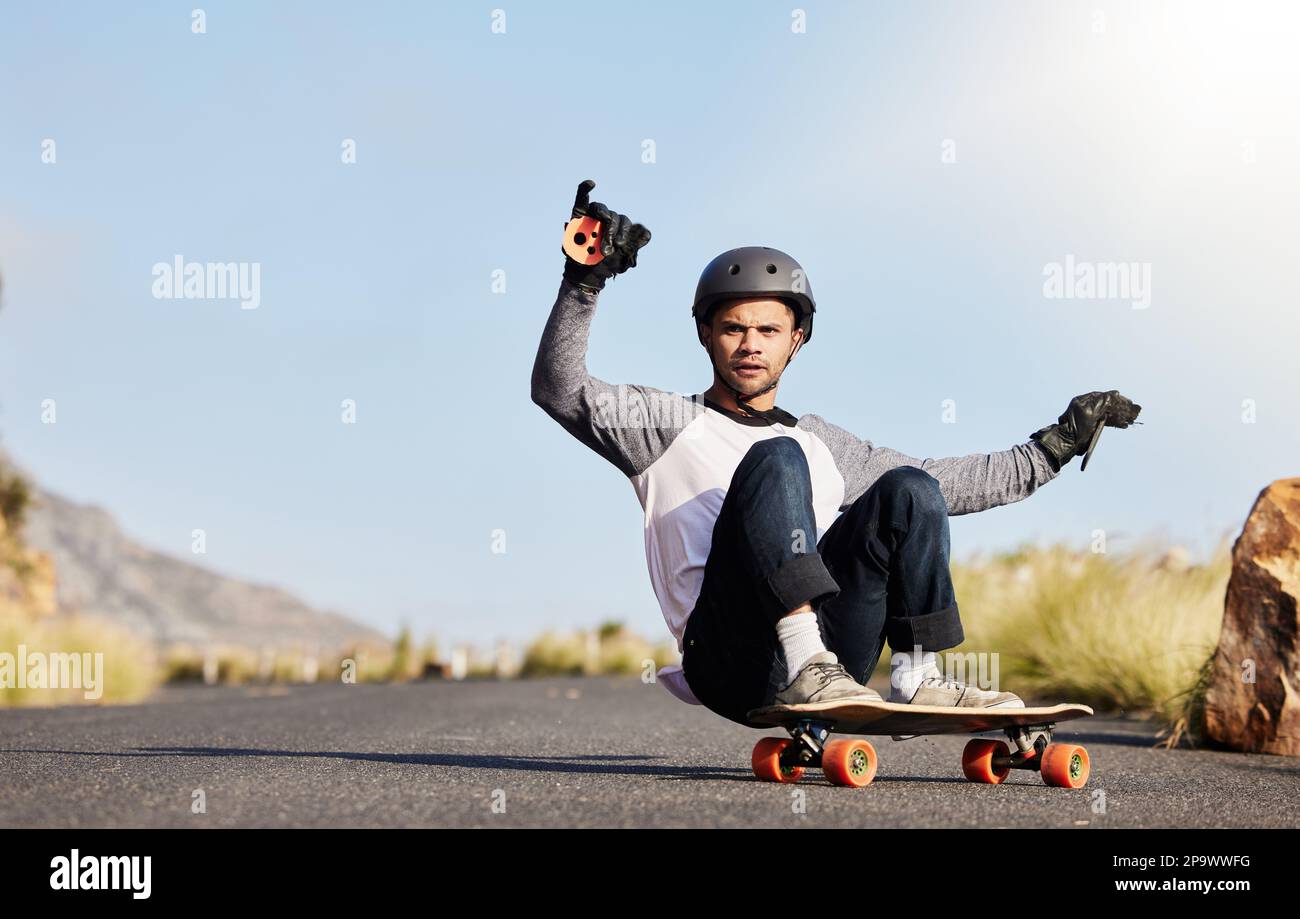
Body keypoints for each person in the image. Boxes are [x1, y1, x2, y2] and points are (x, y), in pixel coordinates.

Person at [531, 180, 1141, 728]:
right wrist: (584, 280)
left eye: (768, 331)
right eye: (734, 329)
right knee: (777, 460)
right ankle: (803, 659)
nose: (750, 346)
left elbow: (940, 485)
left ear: (796, 340)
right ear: (706, 335)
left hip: (838, 657)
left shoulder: (819, 439)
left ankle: (917, 676)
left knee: (907, 487)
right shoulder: (662, 424)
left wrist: (1054, 446)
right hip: (729, 659)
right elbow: (559, 389)